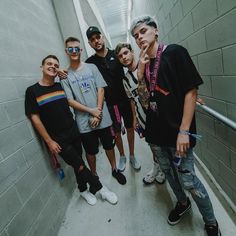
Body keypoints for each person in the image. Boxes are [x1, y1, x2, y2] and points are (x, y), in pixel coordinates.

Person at [130, 16, 221, 235]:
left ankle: (211, 221)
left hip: (178, 132)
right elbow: (144, 101)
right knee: (170, 174)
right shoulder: (143, 64)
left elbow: (191, 91)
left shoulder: (175, 52)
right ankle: (182, 203)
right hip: (156, 133)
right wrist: (140, 75)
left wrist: (184, 131)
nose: (139, 37)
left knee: (188, 180)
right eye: (135, 36)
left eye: (143, 31)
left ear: (156, 30)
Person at [25, 55, 118, 206]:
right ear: (41, 67)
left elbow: (70, 88)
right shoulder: (32, 91)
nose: (52, 66)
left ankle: (82, 190)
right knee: (79, 164)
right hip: (58, 138)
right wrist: (49, 141)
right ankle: (101, 189)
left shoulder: (60, 86)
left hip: (73, 131)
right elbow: (35, 118)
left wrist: (61, 71)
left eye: (56, 64)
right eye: (48, 63)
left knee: (78, 163)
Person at [60, 37, 126, 186]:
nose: (74, 51)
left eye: (77, 48)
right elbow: (70, 101)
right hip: (84, 121)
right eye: (70, 49)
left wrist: (99, 111)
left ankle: (115, 169)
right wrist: (92, 111)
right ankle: (94, 176)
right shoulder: (65, 76)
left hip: (102, 116)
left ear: (81, 50)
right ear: (66, 51)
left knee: (109, 145)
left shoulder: (92, 67)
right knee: (90, 151)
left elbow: (101, 89)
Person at [85, 26, 141, 172]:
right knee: (116, 132)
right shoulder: (89, 63)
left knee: (129, 128)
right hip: (109, 105)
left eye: (98, 37)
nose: (96, 41)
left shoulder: (116, 55)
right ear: (90, 43)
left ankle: (132, 155)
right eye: (92, 40)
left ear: (102, 37)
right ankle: (122, 155)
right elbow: (78, 70)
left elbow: (129, 64)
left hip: (125, 99)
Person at [115, 42, 165, 185]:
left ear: (131, 52)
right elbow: (132, 100)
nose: (124, 57)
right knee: (152, 144)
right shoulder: (125, 80)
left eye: (125, 53)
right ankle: (157, 167)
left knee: (164, 144)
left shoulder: (147, 65)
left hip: (158, 114)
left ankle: (164, 169)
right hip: (143, 117)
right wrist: (135, 119)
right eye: (120, 56)